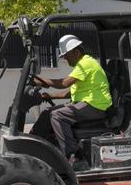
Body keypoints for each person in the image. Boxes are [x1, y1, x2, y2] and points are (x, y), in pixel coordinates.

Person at [30, 34, 112, 164]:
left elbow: (64, 83)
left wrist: (40, 81)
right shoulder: (81, 66)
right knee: (47, 113)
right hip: (85, 104)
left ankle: (75, 156)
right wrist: (49, 95)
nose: (66, 60)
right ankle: (32, 145)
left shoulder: (86, 63)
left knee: (58, 116)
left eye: (66, 56)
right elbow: (70, 93)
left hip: (96, 106)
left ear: (77, 52)